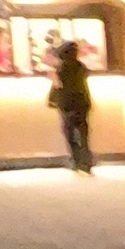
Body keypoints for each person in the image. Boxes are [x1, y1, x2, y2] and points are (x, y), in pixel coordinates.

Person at [50, 36, 95, 173]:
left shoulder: (62, 68)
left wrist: (53, 99)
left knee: (69, 132)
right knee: (83, 132)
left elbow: (59, 86)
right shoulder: (80, 66)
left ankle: (76, 160)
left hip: (67, 103)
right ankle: (86, 160)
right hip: (82, 102)